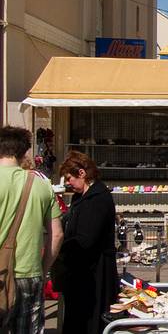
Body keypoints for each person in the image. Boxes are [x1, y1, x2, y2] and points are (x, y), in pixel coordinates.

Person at [0, 127, 63, 334]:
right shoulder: (41, 185)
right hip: (29, 272)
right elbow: (57, 234)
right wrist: (44, 269)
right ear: (24, 152)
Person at [59, 151, 117, 333]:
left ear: (82, 173)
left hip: (94, 272)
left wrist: (61, 247)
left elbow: (86, 239)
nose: (68, 183)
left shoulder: (98, 198)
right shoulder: (81, 196)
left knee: (90, 319)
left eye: (70, 178)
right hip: (81, 270)